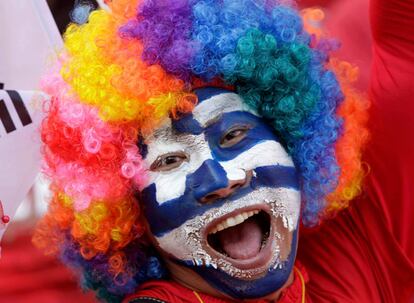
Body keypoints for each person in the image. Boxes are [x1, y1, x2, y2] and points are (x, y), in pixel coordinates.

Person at [33, 0, 414, 302]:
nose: (220, 180)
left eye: (233, 136)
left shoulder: (364, 241)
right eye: (169, 160)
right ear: (135, 218)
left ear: (293, 145)